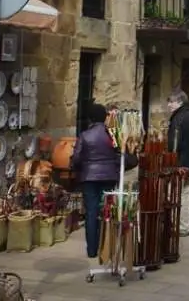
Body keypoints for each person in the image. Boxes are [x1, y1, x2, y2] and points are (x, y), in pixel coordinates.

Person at [70, 103, 120, 260]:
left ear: (90, 119)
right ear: (105, 117)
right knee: (107, 211)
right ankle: (107, 247)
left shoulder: (84, 136)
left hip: (90, 178)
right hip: (109, 176)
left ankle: (92, 250)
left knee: (91, 213)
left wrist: (76, 165)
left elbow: (77, 158)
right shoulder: (112, 135)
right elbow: (120, 154)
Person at [166, 89, 189, 237]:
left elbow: (175, 143)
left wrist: (172, 161)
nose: (169, 105)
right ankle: (183, 223)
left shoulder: (179, 118)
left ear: (179, 102)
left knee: (180, 194)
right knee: (184, 192)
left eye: (171, 102)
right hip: (188, 161)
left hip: (181, 161)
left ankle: (183, 225)